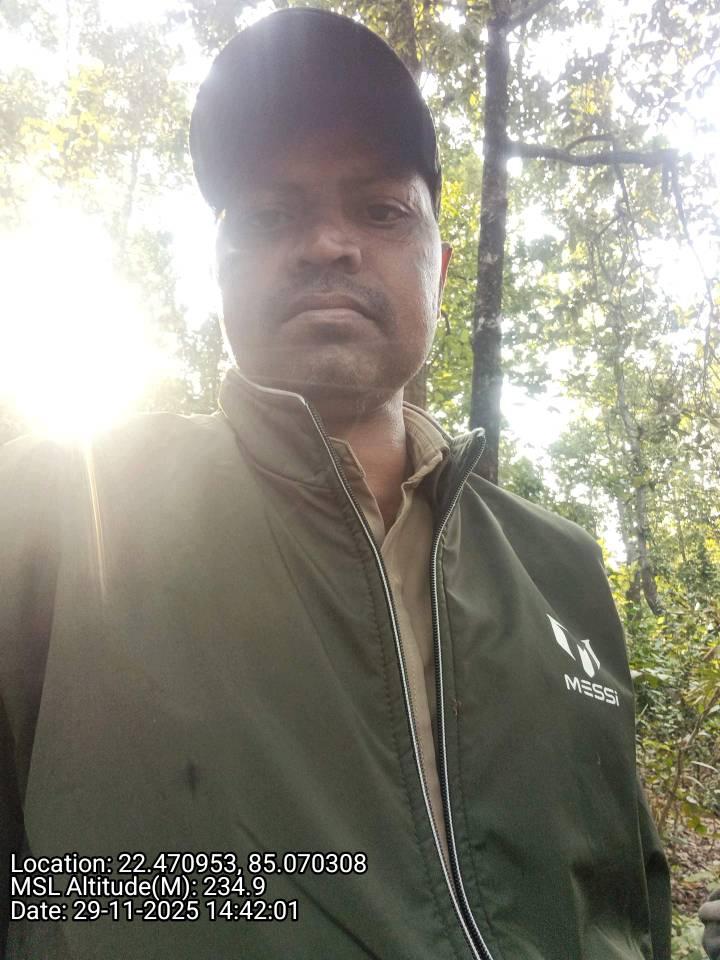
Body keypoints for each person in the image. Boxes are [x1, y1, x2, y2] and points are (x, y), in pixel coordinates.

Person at [0, 8, 675, 959]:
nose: (326, 243)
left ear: (439, 268)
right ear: (219, 272)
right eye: (271, 214)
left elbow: (625, 900)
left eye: (381, 210)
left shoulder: (560, 569)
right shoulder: (54, 513)